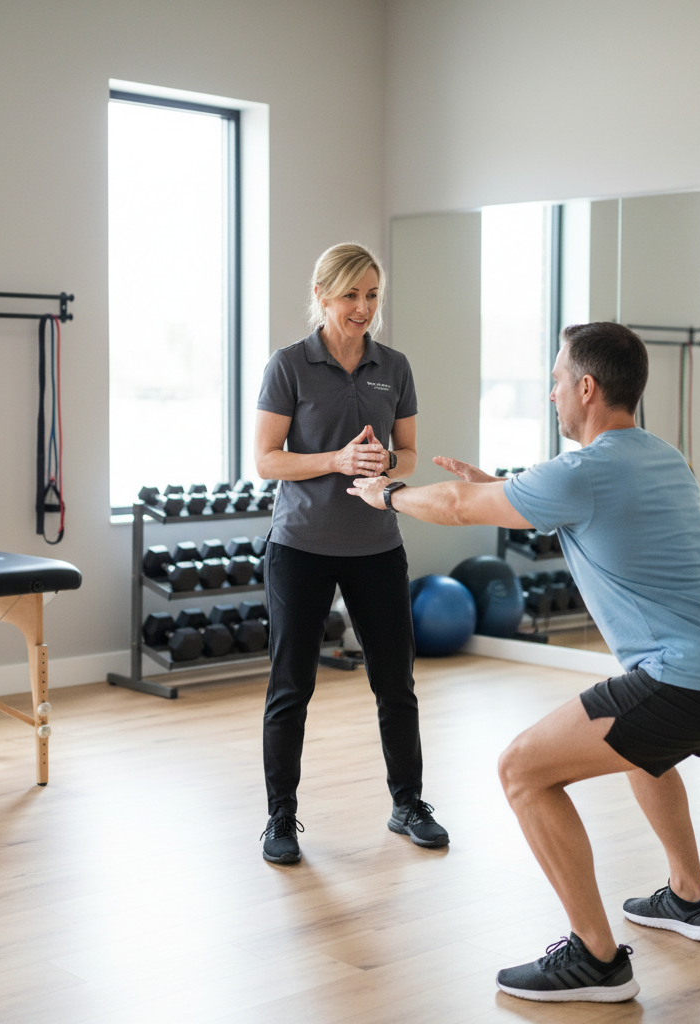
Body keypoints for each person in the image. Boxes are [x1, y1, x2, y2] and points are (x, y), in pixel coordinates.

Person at [347, 321, 700, 1002]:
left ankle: (596, 957)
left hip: (695, 678)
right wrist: (500, 484)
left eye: (557, 381)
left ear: (586, 387)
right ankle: (690, 898)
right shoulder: (661, 457)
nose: (552, 394)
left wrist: (391, 496)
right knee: (643, 747)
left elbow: (466, 508)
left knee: (522, 769)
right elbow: (577, 507)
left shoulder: (587, 471)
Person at [253, 242, 449, 864]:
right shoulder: (289, 365)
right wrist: (336, 461)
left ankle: (408, 802)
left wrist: (385, 462)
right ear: (322, 296)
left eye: (371, 296)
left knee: (397, 684)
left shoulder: (395, 366)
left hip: (376, 546)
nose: (363, 308)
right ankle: (280, 816)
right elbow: (265, 460)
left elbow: (410, 454)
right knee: (292, 688)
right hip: (300, 547)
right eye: (350, 296)